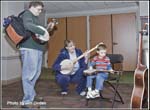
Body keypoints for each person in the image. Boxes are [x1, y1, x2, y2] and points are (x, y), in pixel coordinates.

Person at [19, 1, 54, 107]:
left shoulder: (35, 18)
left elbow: (39, 30)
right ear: (31, 7)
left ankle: (31, 95)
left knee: (36, 73)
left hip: (37, 48)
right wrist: (44, 32)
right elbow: (28, 25)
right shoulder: (27, 14)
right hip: (29, 48)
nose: (40, 11)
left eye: (41, 10)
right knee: (29, 74)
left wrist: (48, 27)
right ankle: (27, 100)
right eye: (38, 9)